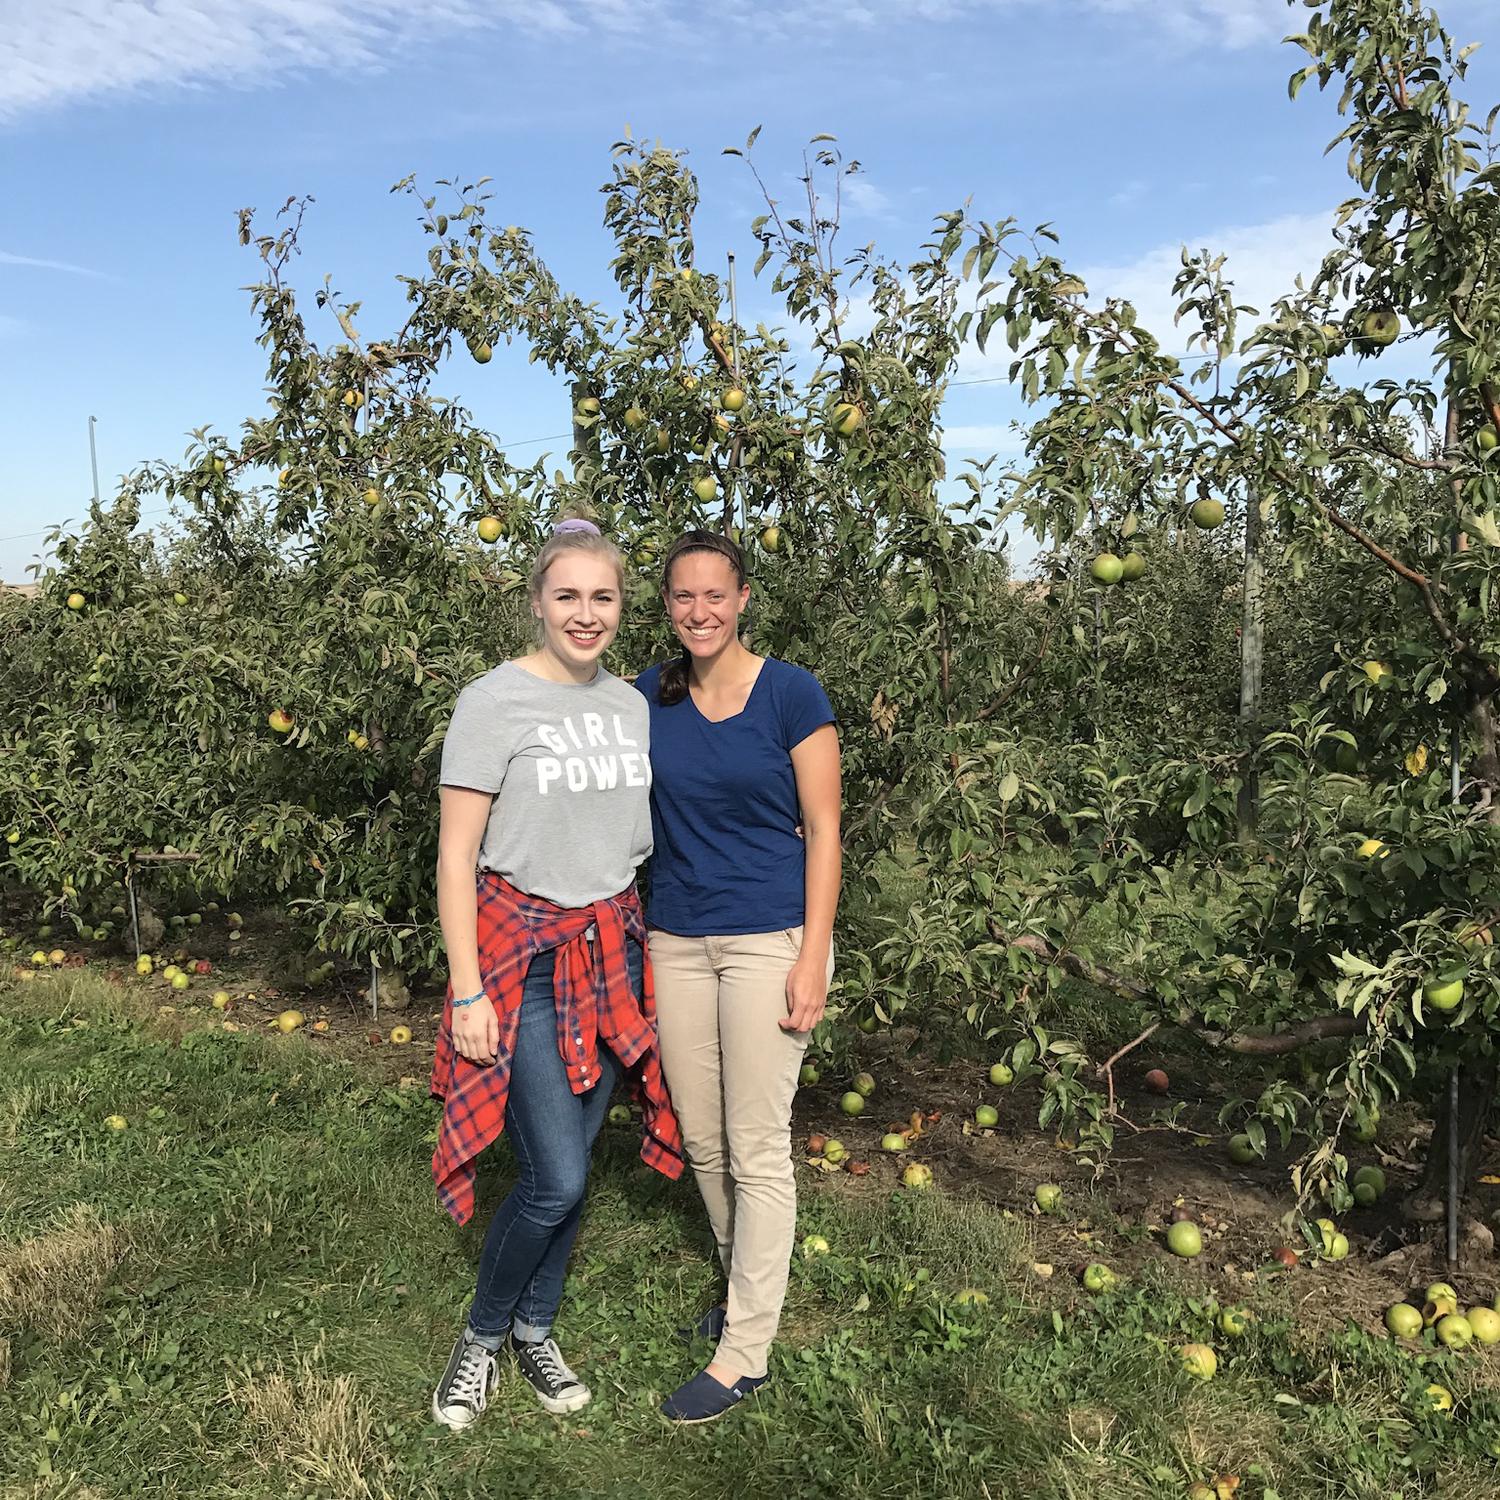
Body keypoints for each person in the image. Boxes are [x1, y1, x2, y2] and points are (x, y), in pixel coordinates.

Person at [427, 517, 682, 1430]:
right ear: (537, 602)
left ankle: (536, 1327)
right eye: (567, 596)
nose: (586, 614)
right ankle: (482, 1337)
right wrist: (467, 990)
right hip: (523, 959)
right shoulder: (493, 702)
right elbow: (458, 857)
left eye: (603, 597)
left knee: (570, 1158)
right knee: (559, 1179)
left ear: (621, 607)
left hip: (609, 952)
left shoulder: (630, 705)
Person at [634, 528, 842, 1424]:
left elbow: (826, 831)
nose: (699, 611)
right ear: (668, 605)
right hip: (676, 938)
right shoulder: (651, 694)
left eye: (715, 595)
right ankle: (740, 1283)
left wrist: (811, 957)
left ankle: (744, 1348)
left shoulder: (792, 694)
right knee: (704, 1139)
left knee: (758, 1148)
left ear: (744, 598)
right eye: (683, 597)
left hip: (769, 939)